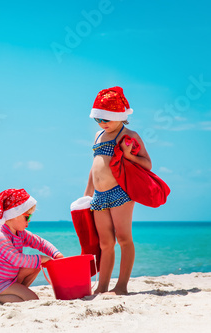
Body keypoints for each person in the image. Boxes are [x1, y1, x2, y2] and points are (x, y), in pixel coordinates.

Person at [84, 86, 152, 295]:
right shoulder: (98, 135)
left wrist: (128, 155)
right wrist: (87, 193)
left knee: (124, 238)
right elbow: (94, 166)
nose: (103, 123)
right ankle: (102, 286)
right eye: (99, 119)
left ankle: (121, 286)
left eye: (107, 119)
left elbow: (147, 164)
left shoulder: (129, 135)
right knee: (105, 243)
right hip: (99, 196)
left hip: (120, 193)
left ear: (120, 117)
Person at [0, 188, 64, 303]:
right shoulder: (1, 236)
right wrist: (42, 258)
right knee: (32, 299)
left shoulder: (20, 233)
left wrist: (55, 253)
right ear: (14, 215)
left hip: (11, 279)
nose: (29, 222)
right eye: (27, 217)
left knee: (36, 266)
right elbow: (16, 259)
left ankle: (19, 290)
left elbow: (40, 243)